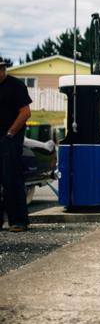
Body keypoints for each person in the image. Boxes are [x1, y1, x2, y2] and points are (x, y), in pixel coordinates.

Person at [0, 59, 32, 232]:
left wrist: (11, 132)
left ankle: (19, 221)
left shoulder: (16, 86)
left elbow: (25, 112)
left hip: (10, 138)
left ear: (3, 69)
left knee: (11, 179)